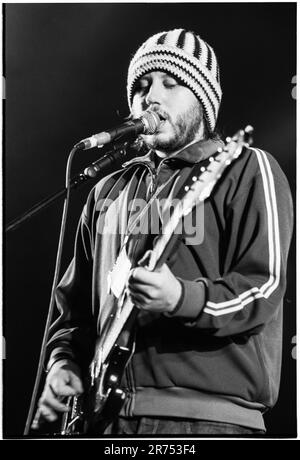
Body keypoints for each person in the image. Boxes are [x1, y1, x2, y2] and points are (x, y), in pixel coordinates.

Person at [33, 28, 293, 436]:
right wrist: (63, 362)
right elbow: (75, 309)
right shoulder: (107, 191)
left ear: (205, 102)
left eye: (171, 84)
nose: (150, 96)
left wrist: (181, 298)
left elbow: (263, 288)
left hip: (207, 420)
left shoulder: (244, 168)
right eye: (141, 86)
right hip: (106, 422)